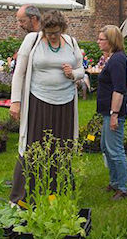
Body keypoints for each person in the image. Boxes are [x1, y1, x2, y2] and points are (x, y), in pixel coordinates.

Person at [9, 11, 84, 203]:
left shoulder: (71, 42)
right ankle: (24, 197)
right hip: (38, 101)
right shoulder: (32, 41)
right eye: (48, 32)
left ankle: (57, 193)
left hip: (65, 103)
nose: (51, 36)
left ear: (62, 30)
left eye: (56, 33)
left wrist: (73, 74)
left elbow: (81, 70)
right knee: (34, 147)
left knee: (60, 148)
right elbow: (19, 72)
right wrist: (15, 102)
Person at [96, 25, 127, 200]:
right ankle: (115, 181)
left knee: (115, 149)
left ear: (111, 41)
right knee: (106, 147)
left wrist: (114, 114)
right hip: (108, 112)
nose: (98, 42)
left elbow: (119, 89)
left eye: (101, 39)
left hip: (114, 112)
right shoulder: (112, 58)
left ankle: (124, 187)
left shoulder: (117, 60)